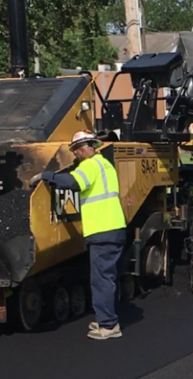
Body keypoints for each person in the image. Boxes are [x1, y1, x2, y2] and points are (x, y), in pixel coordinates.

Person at [32, 131, 127, 339]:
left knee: (101, 280)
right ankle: (107, 319)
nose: (76, 154)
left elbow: (74, 183)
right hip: (114, 228)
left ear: (83, 148)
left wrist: (47, 176)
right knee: (108, 278)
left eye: (76, 150)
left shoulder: (90, 165)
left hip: (103, 230)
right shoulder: (105, 165)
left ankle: (109, 326)